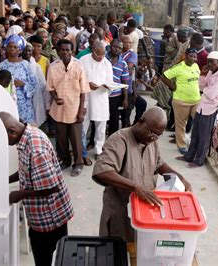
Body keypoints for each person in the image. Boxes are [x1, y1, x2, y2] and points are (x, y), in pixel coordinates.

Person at [92, 107, 192, 242]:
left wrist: (179, 177)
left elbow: (159, 164)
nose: (153, 138)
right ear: (141, 121)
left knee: (141, 250)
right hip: (121, 213)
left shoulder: (151, 142)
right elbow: (102, 171)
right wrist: (135, 187)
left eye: (158, 136)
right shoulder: (119, 140)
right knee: (120, 251)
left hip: (144, 213)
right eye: (152, 133)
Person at [0, 111, 74, 266]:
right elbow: (26, 171)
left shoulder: (35, 148)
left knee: (49, 259)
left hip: (50, 218)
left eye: (4, 139)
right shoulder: (26, 136)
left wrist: (18, 195)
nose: (5, 143)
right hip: (41, 217)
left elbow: (51, 187)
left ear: (11, 132)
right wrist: (4, 181)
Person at [47, 39, 90, 177]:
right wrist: (54, 97)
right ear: (58, 51)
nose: (65, 52)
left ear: (72, 51)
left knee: (76, 139)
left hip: (74, 108)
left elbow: (83, 91)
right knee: (61, 139)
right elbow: (50, 87)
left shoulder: (79, 67)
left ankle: (78, 164)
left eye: (68, 50)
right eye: (63, 50)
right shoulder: (53, 67)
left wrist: (81, 110)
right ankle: (65, 161)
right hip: (58, 109)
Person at [179, 51, 218, 167]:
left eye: (212, 62)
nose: (210, 64)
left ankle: (199, 160)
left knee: (204, 136)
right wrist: (203, 75)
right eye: (208, 62)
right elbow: (201, 84)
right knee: (195, 133)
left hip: (210, 108)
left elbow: (211, 94)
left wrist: (204, 89)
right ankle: (189, 156)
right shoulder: (211, 72)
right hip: (202, 106)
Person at [160, 48, 201, 155]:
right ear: (186, 55)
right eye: (191, 56)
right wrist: (172, 86)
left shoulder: (196, 66)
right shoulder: (179, 67)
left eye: (195, 57)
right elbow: (164, 76)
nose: (193, 58)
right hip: (181, 101)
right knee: (181, 124)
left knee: (198, 122)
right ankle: (182, 145)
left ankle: (194, 143)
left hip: (196, 100)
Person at [79, 41, 113, 159]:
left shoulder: (106, 64)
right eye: (98, 55)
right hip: (86, 97)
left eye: (103, 55)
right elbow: (77, 79)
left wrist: (108, 87)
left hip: (101, 98)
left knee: (101, 127)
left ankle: (99, 149)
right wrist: (88, 84)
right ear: (93, 51)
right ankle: (81, 150)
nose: (101, 57)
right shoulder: (83, 60)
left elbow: (110, 82)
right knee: (83, 124)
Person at [0, 35, 38, 124]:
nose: (12, 49)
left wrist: (23, 84)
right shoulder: (2, 65)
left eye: (15, 47)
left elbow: (34, 83)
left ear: (20, 49)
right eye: (10, 46)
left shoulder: (26, 65)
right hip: (8, 100)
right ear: (6, 48)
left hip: (24, 104)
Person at [22, 43, 50, 128]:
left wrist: (46, 103)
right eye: (25, 50)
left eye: (29, 50)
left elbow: (43, 84)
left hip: (35, 96)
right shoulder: (19, 64)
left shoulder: (36, 66)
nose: (27, 53)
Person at [106, 39, 130, 136]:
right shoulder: (103, 58)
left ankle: (111, 141)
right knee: (99, 119)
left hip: (115, 95)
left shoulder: (123, 63)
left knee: (114, 119)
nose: (117, 49)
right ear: (110, 45)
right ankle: (93, 141)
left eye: (119, 48)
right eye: (115, 46)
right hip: (102, 93)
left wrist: (125, 99)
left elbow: (124, 81)